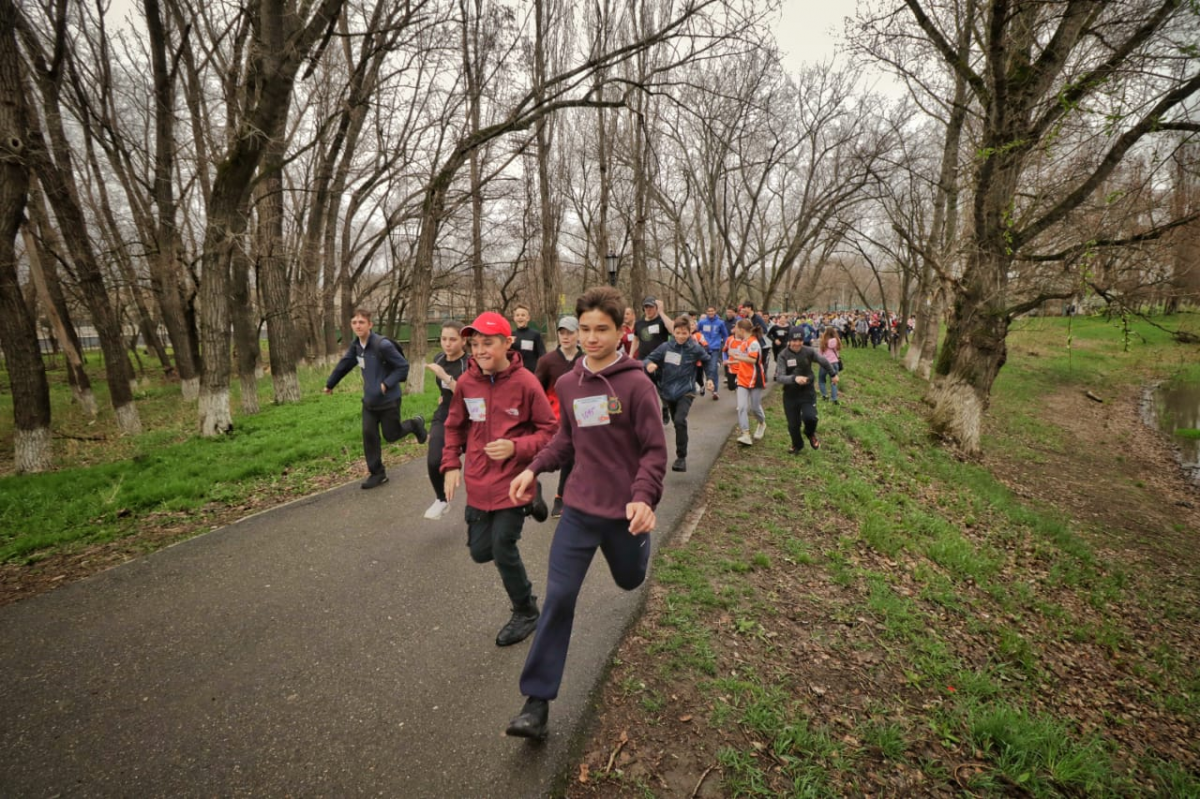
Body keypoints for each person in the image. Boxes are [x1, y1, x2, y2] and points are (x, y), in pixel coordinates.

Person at [504, 286, 667, 741]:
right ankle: (536, 703)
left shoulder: (636, 385)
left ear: (620, 331)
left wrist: (643, 497)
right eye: (586, 328)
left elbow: (654, 452)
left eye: (603, 330)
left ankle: (638, 547)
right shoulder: (570, 383)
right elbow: (565, 441)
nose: (592, 338)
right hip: (577, 509)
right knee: (558, 599)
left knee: (630, 579)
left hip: (624, 514)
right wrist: (533, 468)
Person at [441, 311, 557, 647]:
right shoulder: (466, 383)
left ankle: (526, 610)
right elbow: (454, 426)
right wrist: (451, 463)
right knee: (480, 552)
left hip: (513, 480)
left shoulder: (526, 383)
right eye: (474, 344)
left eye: (487, 343)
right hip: (479, 481)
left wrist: (516, 446)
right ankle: (534, 498)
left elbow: (550, 432)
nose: (478, 350)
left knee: (502, 547)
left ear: (508, 343)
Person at [324, 308, 427, 489]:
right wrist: (330, 384)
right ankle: (377, 473)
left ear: (370, 325)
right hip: (370, 402)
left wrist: (386, 384)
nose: (358, 325)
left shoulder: (382, 345)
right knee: (369, 435)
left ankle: (414, 424)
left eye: (362, 322)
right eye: (354, 322)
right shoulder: (357, 346)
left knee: (391, 435)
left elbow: (403, 367)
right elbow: (344, 365)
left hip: (389, 401)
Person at [644, 315, 712, 473]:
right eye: (678, 332)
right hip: (667, 391)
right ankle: (666, 409)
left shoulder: (694, 348)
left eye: (684, 333)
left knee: (680, 421)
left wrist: (710, 379)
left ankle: (681, 458)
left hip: (686, 391)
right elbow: (647, 359)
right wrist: (650, 364)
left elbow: (707, 361)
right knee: (676, 422)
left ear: (690, 332)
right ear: (673, 332)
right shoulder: (665, 347)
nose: (681, 336)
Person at [535, 316, 583, 518]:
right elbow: (537, 390)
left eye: (570, 333)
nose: (565, 337)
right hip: (554, 418)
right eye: (562, 333)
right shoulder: (547, 361)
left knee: (572, 458)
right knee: (546, 456)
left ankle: (561, 497)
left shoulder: (585, 359)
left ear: (578, 334)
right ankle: (532, 487)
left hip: (580, 418)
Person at [423, 321, 469, 519]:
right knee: (434, 459)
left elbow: (468, 393)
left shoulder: (469, 363)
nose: (447, 344)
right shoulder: (438, 358)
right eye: (444, 339)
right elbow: (442, 387)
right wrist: (443, 396)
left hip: (469, 418)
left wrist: (446, 378)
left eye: (453, 339)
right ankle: (442, 499)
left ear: (463, 340)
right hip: (444, 414)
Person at [775, 326, 837, 453]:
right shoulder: (783, 355)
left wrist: (833, 374)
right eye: (794, 340)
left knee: (811, 418)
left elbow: (823, 361)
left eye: (800, 340)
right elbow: (779, 377)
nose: (797, 343)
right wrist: (794, 379)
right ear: (789, 340)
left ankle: (810, 433)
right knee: (793, 425)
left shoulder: (809, 351)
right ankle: (797, 445)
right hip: (790, 393)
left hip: (807, 392)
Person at [727, 318, 767, 446]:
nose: (734, 330)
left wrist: (735, 356)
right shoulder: (744, 342)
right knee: (742, 407)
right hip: (742, 378)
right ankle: (746, 434)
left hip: (755, 379)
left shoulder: (753, 343)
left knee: (755, 407)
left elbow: (752, 360)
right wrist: (731, 362)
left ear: (742, 330)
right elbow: (744, 360)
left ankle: (762, 423)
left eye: (736, 328)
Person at [697, 306, 728, 401]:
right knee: (706, 370)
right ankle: (708, 384)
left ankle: (715, 392)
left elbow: (725, 335)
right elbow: (697, 333)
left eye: (712, 311)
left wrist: (726, 346)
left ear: (715, 311)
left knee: (714, 369)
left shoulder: (720, 323)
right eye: (708, 311)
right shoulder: (702, 322)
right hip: (704, 349)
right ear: (706, 312)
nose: (710, 312)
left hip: (715, 349)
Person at [512, 303, 546, 372]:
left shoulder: (535, 334)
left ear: (528, 318)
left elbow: (542, 354)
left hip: (533, 372)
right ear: (514, 318)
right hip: (516, 372)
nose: (520, 317)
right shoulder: (511, 336)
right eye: (517, 315)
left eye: (523, 315)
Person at [818, 326, 842, 403]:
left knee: (821, 380)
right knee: (834, 381)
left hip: (825, 363)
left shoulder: (823, 341)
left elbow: (820, 353)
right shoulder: (837, 341)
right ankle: (834, 398)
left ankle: (824, 395)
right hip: (835, 362)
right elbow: (838, 351)